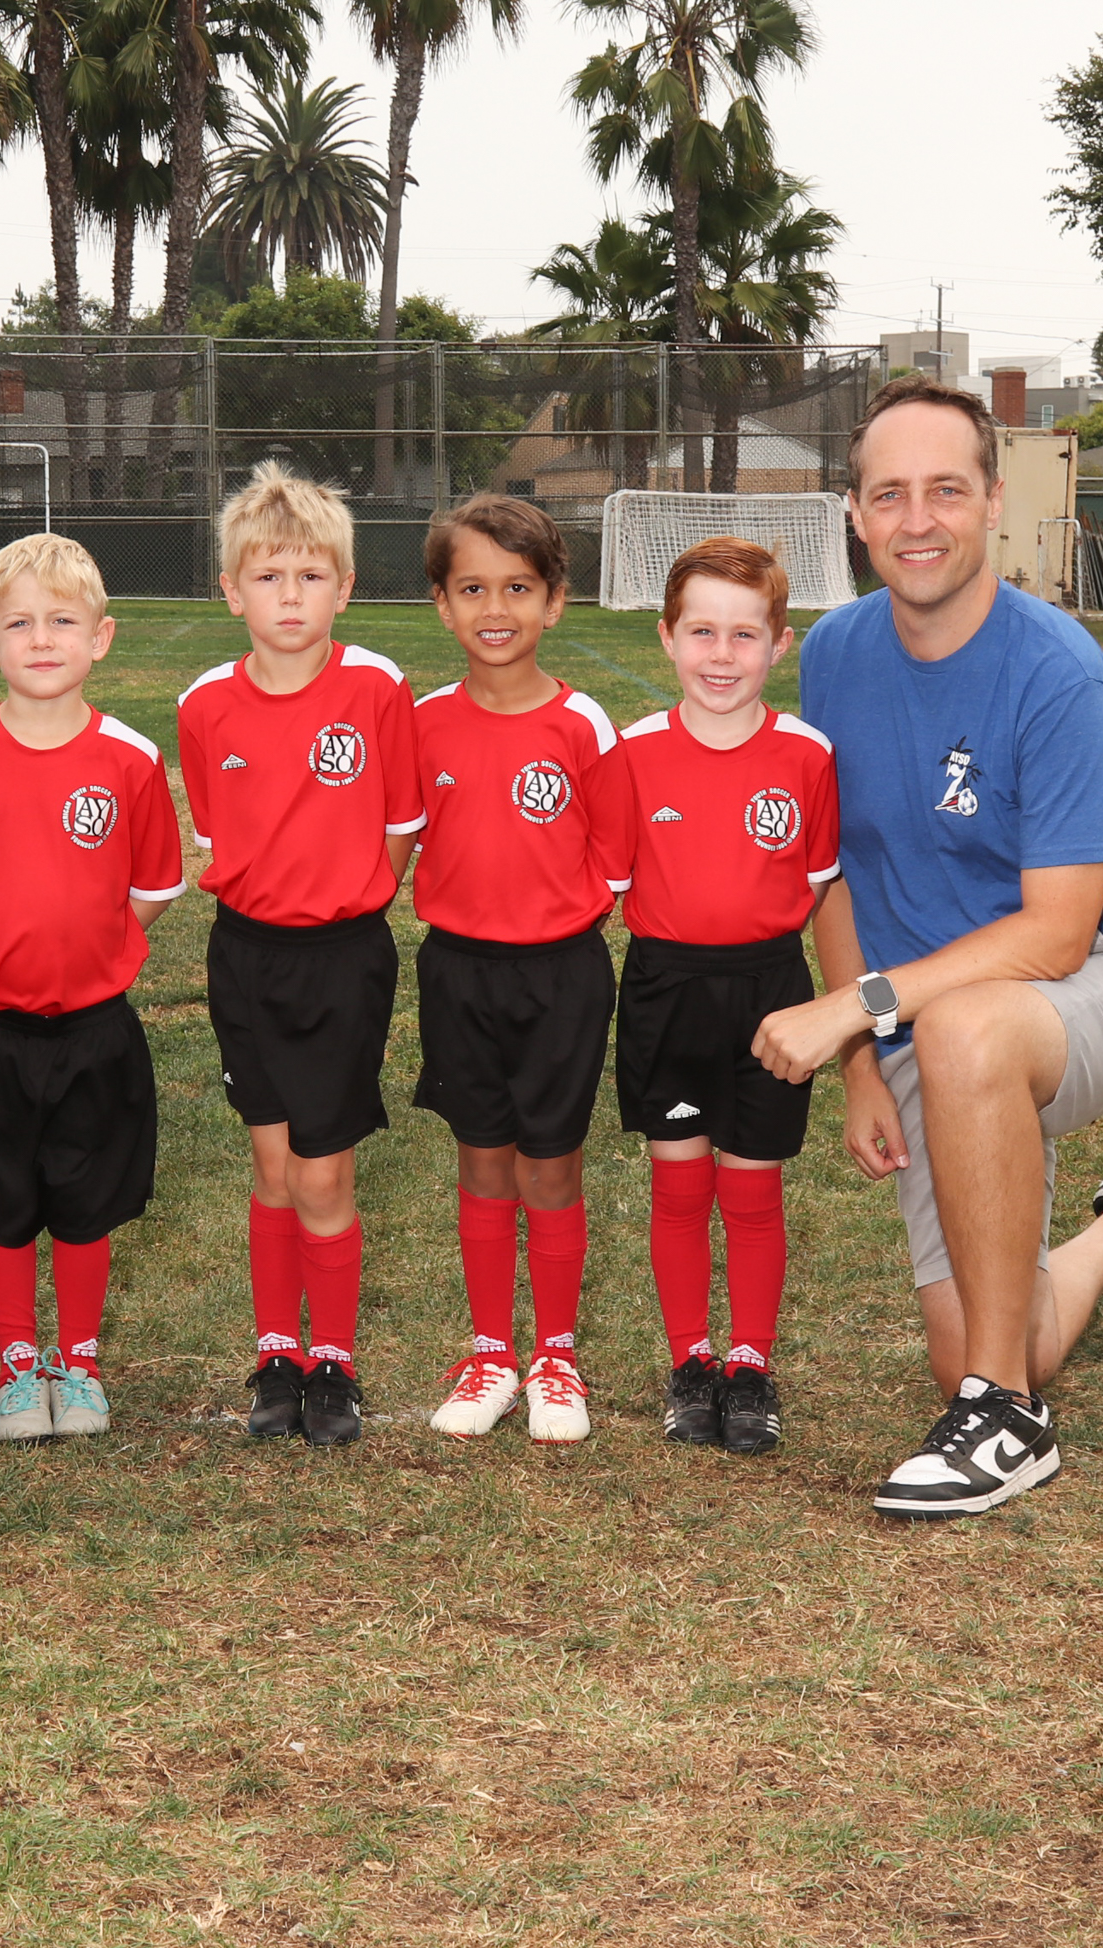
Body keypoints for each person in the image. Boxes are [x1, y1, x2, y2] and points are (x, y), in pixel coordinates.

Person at [755, 376, 1103, 1521]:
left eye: (944, 489)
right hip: (919, 1013)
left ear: (991, 500)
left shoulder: (1055, 669)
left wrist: (858, 1008)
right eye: (888, 494)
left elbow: (1056, 930)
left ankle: (1008, 1421)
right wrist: (863, 1062)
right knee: (982, 1336)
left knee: (968, 1030)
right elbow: (833, 870)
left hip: (1096, 976)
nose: (916, 519)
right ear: (854, 514)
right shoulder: (834, 654)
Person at [0, 533, 186, 1441]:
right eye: (20, 624)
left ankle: (81, 1361)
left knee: (84, 1204)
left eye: (62, 622)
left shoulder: (131, 758)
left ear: (99, 639)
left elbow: (154, 886)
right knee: (2, 1206)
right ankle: (18, 1365)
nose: (41, 640)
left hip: (94, 1030)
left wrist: (91, 947)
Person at [176, 463, 424, 1449]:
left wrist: (346, 900)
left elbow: (400, 828)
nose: (290, 596)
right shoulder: (205, 704)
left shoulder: (376, 688)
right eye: (268, 576)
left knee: (323, 1176)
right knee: (272, 1165)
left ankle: (335, 1361)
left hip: (342, 959)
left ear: (344, 588)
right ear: (232, 590)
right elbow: (217, 828)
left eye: (311, 576)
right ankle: (279, 1352)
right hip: (245, 957)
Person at [408, 495, 635, 1443]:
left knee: (549, 1164)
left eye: (517, 588)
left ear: (554, 601)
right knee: (481, 1157)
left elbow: (615, 864)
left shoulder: (583, 725)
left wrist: (547, 923)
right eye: (472, 589)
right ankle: (492, 1353)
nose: (494, 609)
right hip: (458, 973)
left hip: (561, 977)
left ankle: (557, 1356)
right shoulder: (422, 724)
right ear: (441, 603)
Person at [610, 537, 839, 1457]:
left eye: (744, 635)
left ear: (779, 644)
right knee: (678, 1183)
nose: (721, 654)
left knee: (751, 1187)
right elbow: (614, 878)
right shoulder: (632, 754)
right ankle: (689, 1361)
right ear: (667, 637)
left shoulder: (807, 756)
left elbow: (814, 882)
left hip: (770, 993)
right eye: (701, 631)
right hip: (665, 988)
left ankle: (749, 1364)